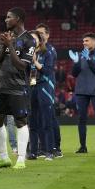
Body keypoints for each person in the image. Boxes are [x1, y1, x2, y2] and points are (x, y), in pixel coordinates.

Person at [0, 7, 35, 170]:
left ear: (18, 19)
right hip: (1, 87)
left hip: (17, 87)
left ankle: (21, 159)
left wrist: (10, 45)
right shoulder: (7, 36)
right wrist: (3, 45)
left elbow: (22, 66)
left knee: (20, 122)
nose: (6, 20)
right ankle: (3, 158)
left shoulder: (29, 39)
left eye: (9, 17)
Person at [70, 32, 95, 153]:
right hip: (81, 90)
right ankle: (83, 147)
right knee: (81, 119)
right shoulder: (80, 55)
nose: (84, 43)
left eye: (86, 41)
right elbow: (74, 74)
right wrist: (76, 62)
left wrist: (88, 59)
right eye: (83, 41)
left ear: (94, 41)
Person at [35, 23, 62, 157]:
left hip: (47, 86)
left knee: (49, 117)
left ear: (48, 35)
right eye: (37, 33)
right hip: (36, 86)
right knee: (38, 117)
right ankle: (43, 147)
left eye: (42, 33)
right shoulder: (35, 50)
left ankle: (56, 147)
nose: (39, 35)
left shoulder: (50, 50)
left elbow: (47, 70)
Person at [28, 29, 55, 161]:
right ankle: (33, 152)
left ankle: (49, 151)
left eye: (35, 39)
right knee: (32, 122)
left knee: (46, 121)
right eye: (30, 39)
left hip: (43, 87)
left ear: (40, 40)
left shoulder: (47, 53)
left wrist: (35, 62)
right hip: (31, 87)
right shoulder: (26, 54)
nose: (32, 41)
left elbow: (48, 71)